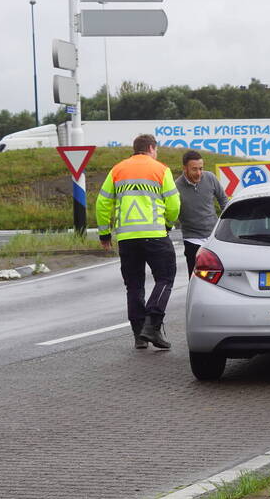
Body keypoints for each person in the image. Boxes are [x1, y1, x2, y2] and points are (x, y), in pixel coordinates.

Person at [96, 134, 180, 350]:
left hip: (127, 238)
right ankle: (152, 324)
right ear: (151, 148)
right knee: (165, 277)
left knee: (134, 286)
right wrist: (168, 224)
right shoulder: (161, 170)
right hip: (155, 235)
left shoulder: (117, 170)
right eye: (156, 150)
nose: (156, 153)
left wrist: (104, 234)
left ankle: (139, 335)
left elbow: (102, 203)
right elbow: (174, 204)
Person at [175, 150, 228, 276]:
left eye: (201, 168)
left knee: (220, 275)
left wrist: (228, 225)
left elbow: (223, 200)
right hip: (192, 238)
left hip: (214, 236)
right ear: (185, 168)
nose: (199, 173)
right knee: (196, 277)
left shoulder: (210, 177)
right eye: (194, 169)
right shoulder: (176, 186)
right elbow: (172, 211)